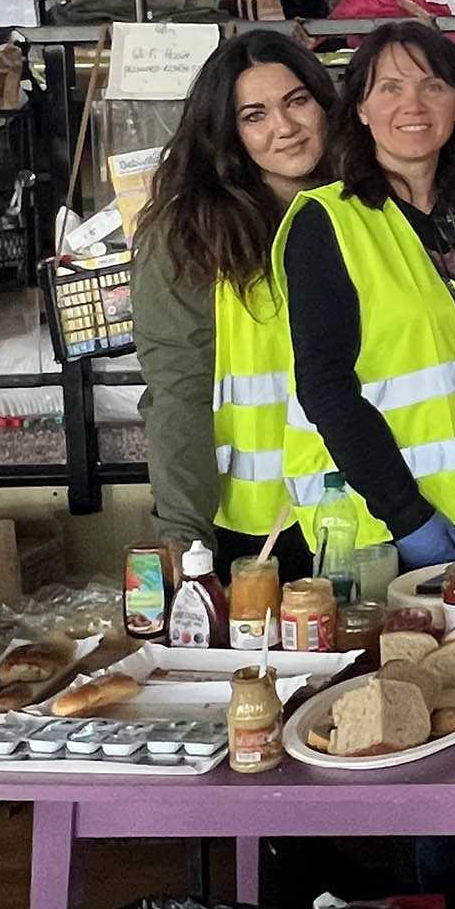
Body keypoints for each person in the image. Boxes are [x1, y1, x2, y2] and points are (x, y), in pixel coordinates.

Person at [275, 21, 455, 567]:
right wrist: (407, 515)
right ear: (360, 108)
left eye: (433, 86)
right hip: (385, 527)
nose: (413, 104)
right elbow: (325, 389)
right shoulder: (328, 222)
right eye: (389, 88)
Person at [131, 30, 337, 579]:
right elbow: (179, 391)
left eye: (296, 101)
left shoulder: (369, 204)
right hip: (256, 533)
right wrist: (181, 535)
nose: (284, 127)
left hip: (372, 511)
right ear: (226, 133)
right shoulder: (188, 233)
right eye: (255, 115)